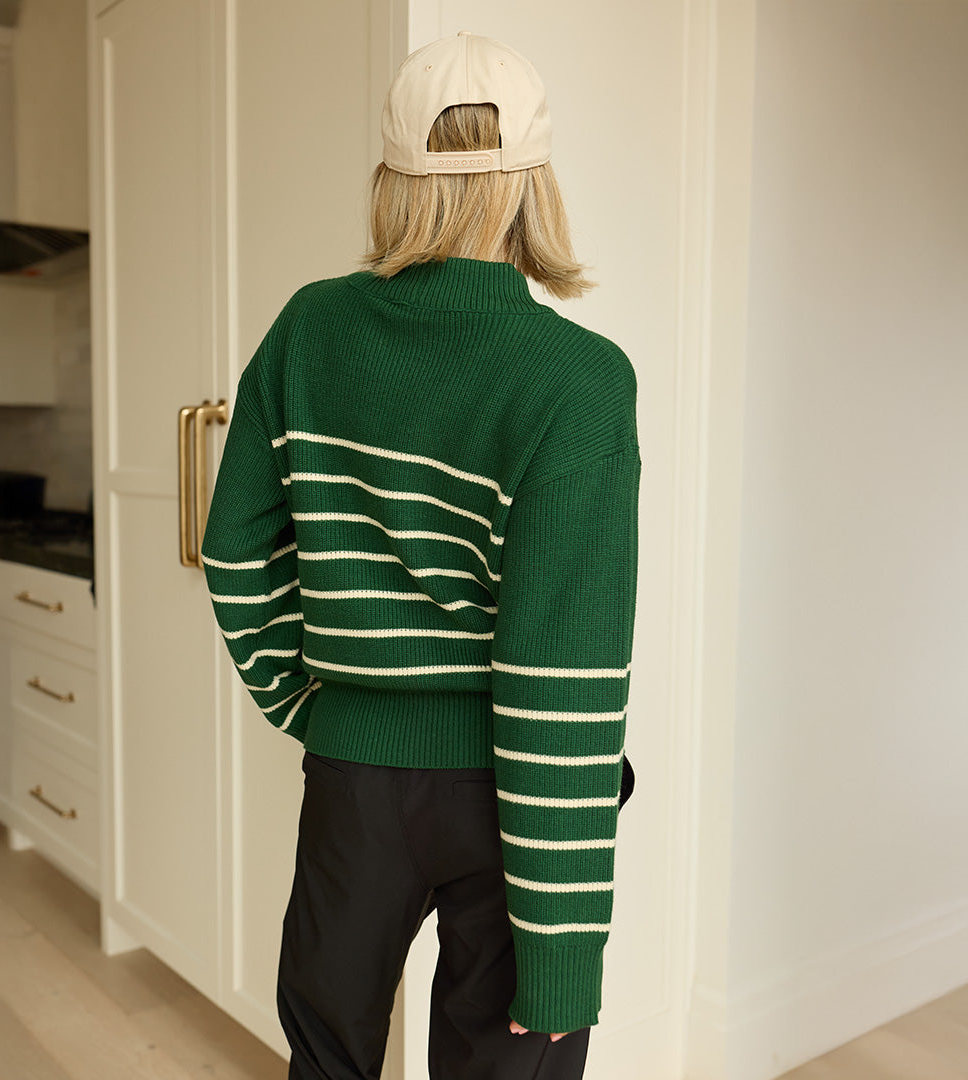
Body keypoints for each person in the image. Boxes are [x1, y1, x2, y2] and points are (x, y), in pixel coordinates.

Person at [200, 30, 641, 1080]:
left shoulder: (311, 328)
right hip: (509, 786)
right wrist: (562, 956)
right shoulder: (578, 382)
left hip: (351, 779)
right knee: (508, 1059)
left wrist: (324, 710)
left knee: (326, 1052)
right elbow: (562, 676)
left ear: (392, 179)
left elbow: (235, 553)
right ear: (535, 184)